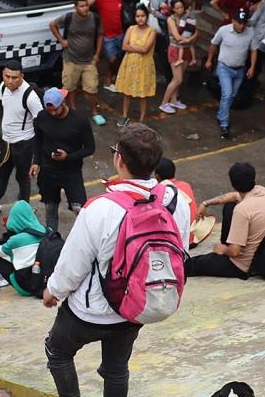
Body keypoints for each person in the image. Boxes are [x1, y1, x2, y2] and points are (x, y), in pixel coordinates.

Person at [42, 123, 163, 397]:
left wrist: (54, 291)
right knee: (117, 367)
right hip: (136, 305)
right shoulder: (169, 200)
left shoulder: (101, 208)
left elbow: (75, 261)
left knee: (58, 351)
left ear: (119, 159)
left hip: (91, 310)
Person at [186, 163, 265, 279]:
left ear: (233, 184)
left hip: (242, 266)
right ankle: (229, 243)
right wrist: (205, 204)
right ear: (254, 178)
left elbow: (234, 252)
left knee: (194, 263)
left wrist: (223, 249)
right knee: (230, 205)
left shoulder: (242, 210)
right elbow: (233, 196)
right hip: (261, 253)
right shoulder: (262, 191)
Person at [0, 61, 42, 214]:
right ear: (2, 75)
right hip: (6, 141)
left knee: (23, 178)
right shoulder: (2, 87)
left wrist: (37, 159)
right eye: (7, 77)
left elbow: (41, 124)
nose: (10, 81)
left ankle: (23, 210)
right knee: (2, 173)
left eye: (15, 78)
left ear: (22, 76)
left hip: (24, 144)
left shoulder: (30, 97)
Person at [33, 88, 95, 231]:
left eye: (55, 110)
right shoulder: (42, 117)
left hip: (71, 172)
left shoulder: (79, 120)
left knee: (80, 210)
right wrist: (36, 162)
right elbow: (38, 140)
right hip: (48, 172)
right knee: (50, 208)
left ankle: (84, 239)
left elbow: (90, 148)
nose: (52, 114)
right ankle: (51, 239)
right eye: (50, 111)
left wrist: (69, 157)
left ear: (63, 103)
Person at [206, 8, 257, 140]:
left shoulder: (251, 32)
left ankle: (220, 114)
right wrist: (209, 60)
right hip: (224, 67)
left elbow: (253, 50)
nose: (242, 25)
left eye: (244, 23)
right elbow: (213, 45)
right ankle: (224, 124)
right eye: (239, 22)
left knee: (232, 96)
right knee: (227, 94)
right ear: (233, 21)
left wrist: (252, 66)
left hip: (239, 69)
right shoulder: (223, 30)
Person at [50, 0, 103, 121]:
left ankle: (95, 111)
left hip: (89, 60)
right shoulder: (68, 17)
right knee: (69, 87)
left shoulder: (94, 18)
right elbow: (52, 24)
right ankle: (72, 109)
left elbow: (101, 35)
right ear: (75, 7)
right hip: (70, 59)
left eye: (86, 5)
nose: (85, 8)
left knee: (92, 88)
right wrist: (61, 40)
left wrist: (97, 54)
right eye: (81, 6)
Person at [115, 5, 156, 125]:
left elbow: (146, 49)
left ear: (147, 17)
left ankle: (142, 119)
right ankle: (124, 115)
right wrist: (138, 48)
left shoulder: (151, 31)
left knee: (142, 94)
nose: (140, 18)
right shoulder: (131, 29)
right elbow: (124, 46)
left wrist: (131, 47)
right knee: (127, 92)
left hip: (144, 65)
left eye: (143, 16)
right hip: (129, 64)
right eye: (138, 16)